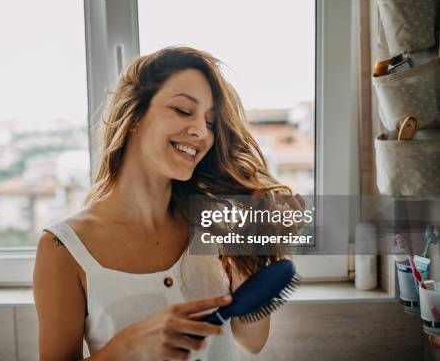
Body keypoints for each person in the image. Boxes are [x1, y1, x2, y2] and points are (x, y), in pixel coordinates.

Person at [33, 46, 302, 360]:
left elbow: (251, 339)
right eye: (183, 110)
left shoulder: (214, 223)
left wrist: (259, 245)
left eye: (211, 123)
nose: (201, 131)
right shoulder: (63, 250)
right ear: (134, 117)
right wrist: (127, 347)